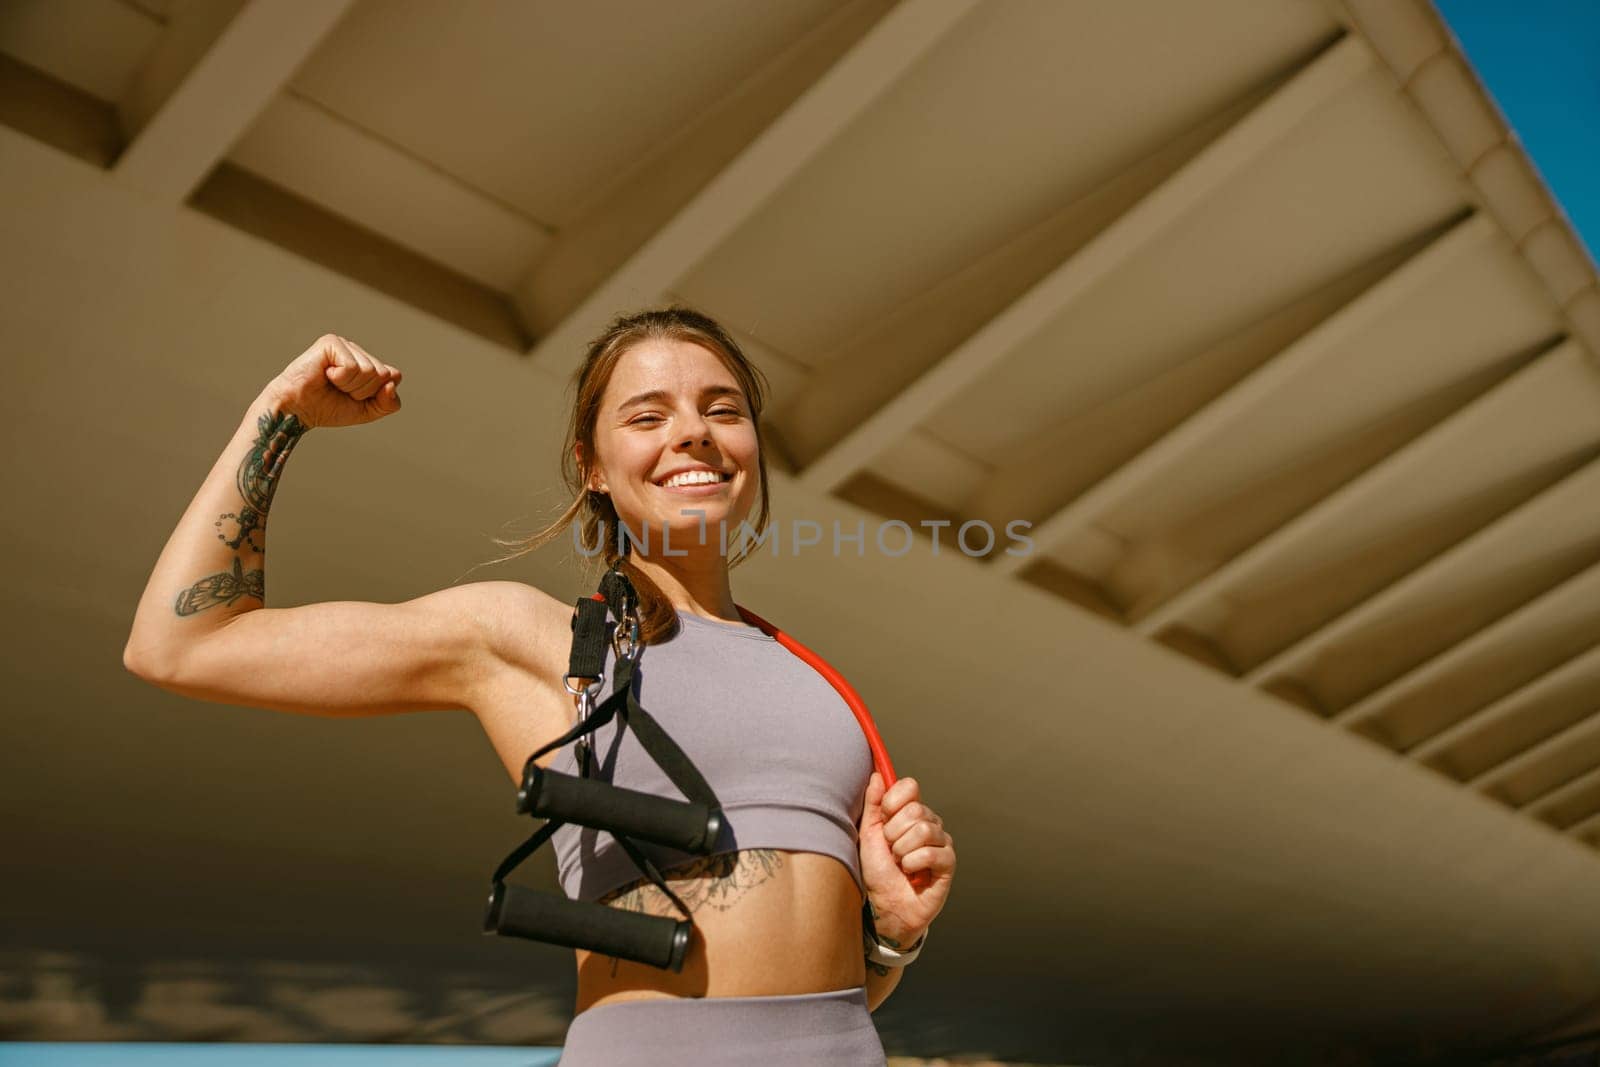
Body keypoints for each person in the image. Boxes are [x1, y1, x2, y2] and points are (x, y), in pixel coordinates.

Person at [123, 306, 957, 1064]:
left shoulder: (819, 684)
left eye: (723, 408)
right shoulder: (530, 637)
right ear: (591, 466)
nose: (694, 433)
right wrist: (277, 416)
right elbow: (185, 644)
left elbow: (831, 1000)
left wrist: (892, 935)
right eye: (647, 415)